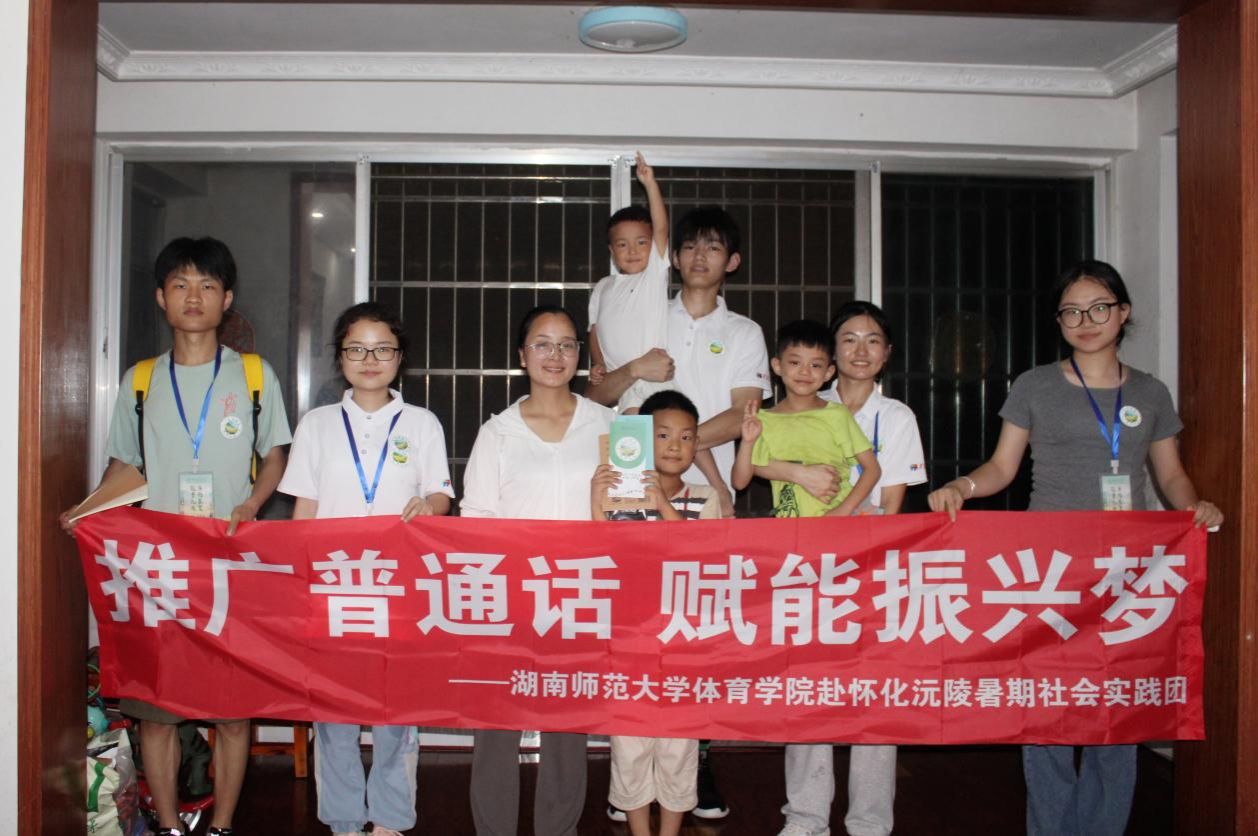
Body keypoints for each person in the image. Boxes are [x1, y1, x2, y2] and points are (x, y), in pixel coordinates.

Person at [927, 260, 1223, 836]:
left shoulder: (1150, 392)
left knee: (1118, 707)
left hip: (1128, 572)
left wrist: (1196, 508)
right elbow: (1002, 468)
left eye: (1099, 308)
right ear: (1058, 320)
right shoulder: (1035, 385)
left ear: (1123, 313)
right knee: (1048, 707)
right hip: (1051, 569)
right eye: (1071, 312)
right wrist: (962, 486)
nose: (1085, 321)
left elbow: (1171, 474)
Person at [62, 236, 292, 836]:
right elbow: (124, 467)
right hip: (157, 567)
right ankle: (167, 826)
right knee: (156, 711)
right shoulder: (140, 380)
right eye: (181, 285)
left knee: (234, 711)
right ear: (161, 298)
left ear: (227, 299)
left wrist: (253, 503)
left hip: (229, 564)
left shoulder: (253, 374)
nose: (194, 297)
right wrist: (86, 510)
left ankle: (221, 826)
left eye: (208, 285)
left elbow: (275, 454)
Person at [278, 301, 454, 836]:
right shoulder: (317, 424)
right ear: (340, 357)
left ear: (400, 358)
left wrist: (431, 507)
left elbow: (441, 495)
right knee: (333, 714)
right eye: (357, 349)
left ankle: (391, 819)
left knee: (396, 712)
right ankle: (344, 820)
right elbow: (304, 509)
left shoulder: (422, 423)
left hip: (400, 589)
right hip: (334, 590)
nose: (370, 360)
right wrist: (298, 585)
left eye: (382, 349)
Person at [766, 303, 926, 836]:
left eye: (873, 340)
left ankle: (870, 822)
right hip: (807, 565)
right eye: (849, 338)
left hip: (871, 565)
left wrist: (853, 532)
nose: (861, 350)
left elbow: (893, 504)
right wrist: (798, 475)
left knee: (873, 691)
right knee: (809, 687)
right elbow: (762, 462)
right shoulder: (804, 397)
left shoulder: (896, 417)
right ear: (831, 353)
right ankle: (806, 816)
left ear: (887, 353)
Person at [460, 304, 615, 836]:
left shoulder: (609, 426)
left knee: (568, 727)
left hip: (582, 593)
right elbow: (475, 519)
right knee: (496, 726)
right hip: (510, 597)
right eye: (543, 344)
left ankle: (559, 828)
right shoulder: (498, 432)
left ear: (579, 356)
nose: (556, 355)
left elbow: (630, 513)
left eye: (567, 344)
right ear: (522, 355)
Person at [590, 389, 719, 836]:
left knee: (678, 748)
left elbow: (704, 558)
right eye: (662, 435)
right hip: (629, 645)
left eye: (686, 437)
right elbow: (602, 559)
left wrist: (663, 506)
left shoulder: (705, 496)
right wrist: (596, 501)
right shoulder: (621, 498)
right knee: (629, 746)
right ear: (642, 439)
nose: (674, 446)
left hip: (685, 648)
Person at [585, 154, 734, 516]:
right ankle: (633, 504)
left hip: (653, 376)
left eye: (642, 242)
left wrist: (650, 184)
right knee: (644, 435)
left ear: (653, 247)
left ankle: (717, 486)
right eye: (622, 244)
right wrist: (599, 365)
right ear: (611, 250)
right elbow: (594, 331)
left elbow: (663, 229)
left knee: (677, 430)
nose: (633, 251)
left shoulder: (652, 277)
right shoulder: (603, 287)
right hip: (626, 378)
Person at [731, 319, 880, 519]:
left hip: (838, 525)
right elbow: (739, 482)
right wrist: (748, 442)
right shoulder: (762, 421)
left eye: (815, 365)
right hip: (790, 528)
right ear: (777, 366)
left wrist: (842, 512)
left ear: (828, 372)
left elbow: (872, 469)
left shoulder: (837, 414)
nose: (805, 371)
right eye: (795, 362)